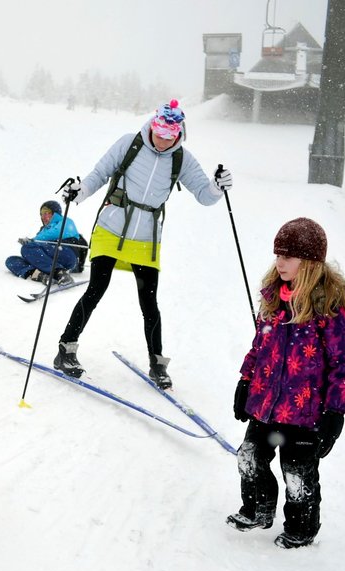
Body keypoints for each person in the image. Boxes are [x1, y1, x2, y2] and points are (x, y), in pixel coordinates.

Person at [53, 99, 234, 388]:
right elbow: (99, 174)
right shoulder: (129, 144)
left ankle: (158, 364)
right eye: (160, 135)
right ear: (153, 127)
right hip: (111, 228)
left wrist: (217, 186)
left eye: (170, 137)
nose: (163, 142)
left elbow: (205, 195)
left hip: (146, 239)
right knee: (96, 288)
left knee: (149, 302)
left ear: (178, 134)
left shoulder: (182, 159)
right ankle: (66, 349)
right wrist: (79, 192)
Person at [226, 218, 345, 549]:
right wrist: (245, 381)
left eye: (288, 256)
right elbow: (260, 345)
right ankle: (258, 508)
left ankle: (301, 530)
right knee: (249, 456)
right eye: (278, 256)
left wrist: (335, 412)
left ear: (310, 262)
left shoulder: (328, 307)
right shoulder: (273, 299)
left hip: (305, 412)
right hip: (265, 403)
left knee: (298, 475)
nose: (280, 262)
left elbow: (344, 364)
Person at [5, 200, 88, 286]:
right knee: (11, 260)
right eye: (41, 214)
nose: (43, 216)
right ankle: (40, 275)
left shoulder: (65, 222)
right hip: (50, 259)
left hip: (66, 254)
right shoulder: (43, 230)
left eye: (46, 213)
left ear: (55, 214)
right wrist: (31, 243)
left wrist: (32, 241)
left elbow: (54, 232)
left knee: (27, 248)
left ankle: (60, 273)